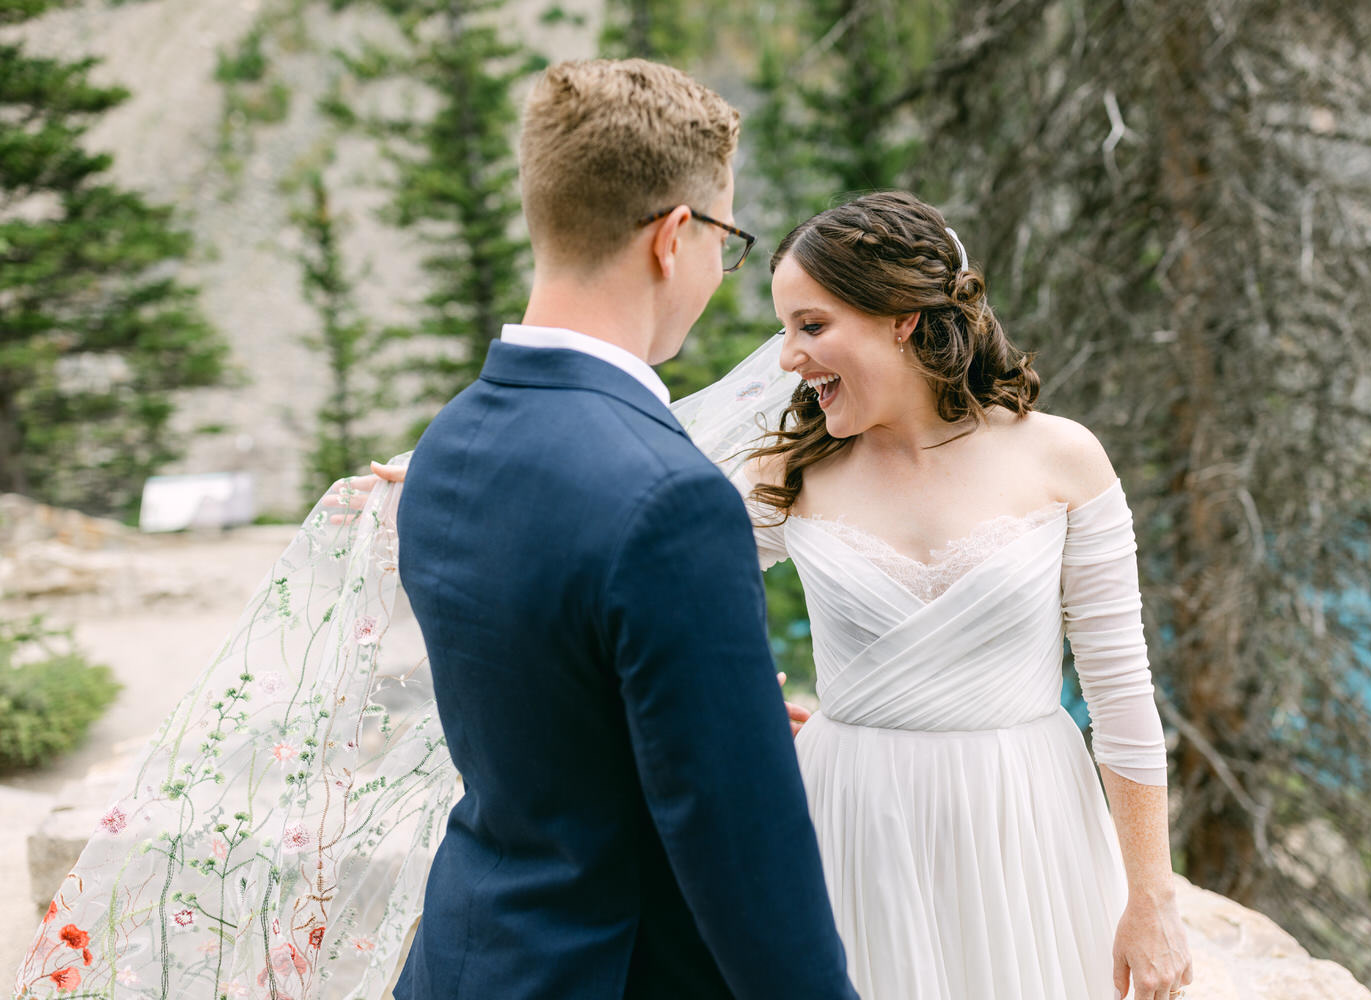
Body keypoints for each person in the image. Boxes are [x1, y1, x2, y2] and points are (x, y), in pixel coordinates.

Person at [11, 59, 857, 1000]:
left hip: (470, 954)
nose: (716, 268)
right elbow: (742, 848)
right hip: (609, 972)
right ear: (672, 238)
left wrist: (714, 709)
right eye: (726, 241)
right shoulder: (672, 498)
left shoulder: (451, 441)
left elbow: (547, 709)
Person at [369, 190, 1196, 1000]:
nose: (787, 358)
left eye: (812, 326)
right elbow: (626, 536)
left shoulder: (1063, 460)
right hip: (852, 820)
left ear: (902, 318)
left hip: (1025, 817)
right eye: (784, 329)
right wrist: (487, 476)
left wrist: (1151, 895)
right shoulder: (791, 474)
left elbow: (1121, 695)